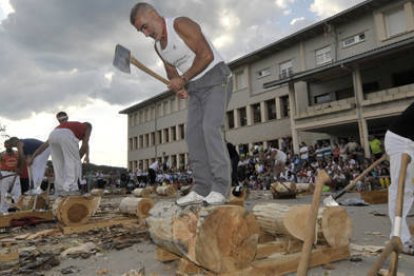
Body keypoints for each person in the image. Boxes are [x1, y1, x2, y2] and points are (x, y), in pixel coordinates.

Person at [130, 3, 233, 205]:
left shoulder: (180, 25)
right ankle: (202, 189)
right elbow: (171, 71)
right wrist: (179, 86)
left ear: (153, 15)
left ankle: (221, 188)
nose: (144, 33)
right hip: (195, 89)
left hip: (217, 79)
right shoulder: (159, 46)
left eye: (144, 26)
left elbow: (206, 55)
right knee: (193, 135)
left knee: (209, 128)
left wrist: (183, 78)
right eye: (140, 30)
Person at [29, 120, 92, 196]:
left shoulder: (67, 125)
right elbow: (85, 143)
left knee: (58, 165)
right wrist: (82, 157)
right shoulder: (88, 126)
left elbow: (43, 147)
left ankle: (60, 191)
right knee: (72, 163)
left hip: (52, 135)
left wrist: (32, 158)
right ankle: (71, 190)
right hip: (66, 135)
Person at [384, 102, 414, 255]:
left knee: (408, 190)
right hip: (401, 141)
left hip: (409, 141)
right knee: (401, 190)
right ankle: (400, 237)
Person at [0, 139, 23, 213]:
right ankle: (3, 212)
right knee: (4, 195)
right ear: (5, 146)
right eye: (6, 145)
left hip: (15, 175)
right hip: (4, 175)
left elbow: (21, 161)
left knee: (17, 194)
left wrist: (19, 169)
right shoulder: (1, 154)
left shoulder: (17, 153)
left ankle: (19, 211)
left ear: (11, 145)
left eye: (9, 145)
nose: (7, 146)